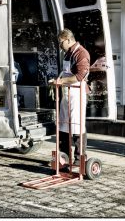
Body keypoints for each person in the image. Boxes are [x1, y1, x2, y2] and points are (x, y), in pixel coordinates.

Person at [49, 29, 90, 166]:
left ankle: (80, 160)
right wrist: (57, 80)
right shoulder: (68, 54)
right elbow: (65, 73)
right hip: (67, 93)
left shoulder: (81, 53)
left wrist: (61, 82)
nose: (60, 46)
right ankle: (65, 158)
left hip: (77, 94)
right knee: (64, 126)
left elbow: (80, 76)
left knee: (78, 126)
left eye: (61, 43)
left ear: (67, 39)